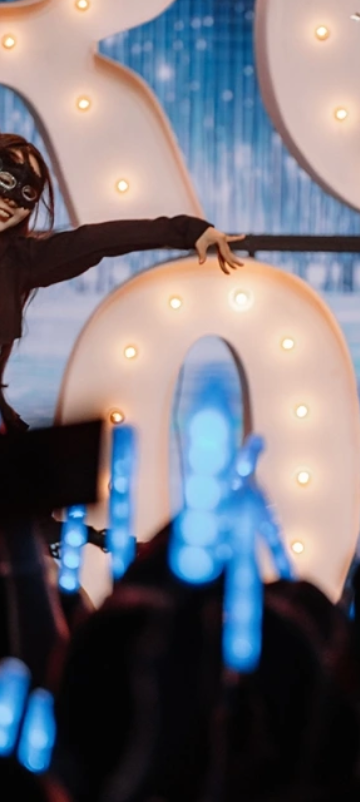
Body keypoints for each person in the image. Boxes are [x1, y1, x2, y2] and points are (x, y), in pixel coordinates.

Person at [0, 132, 242, 684]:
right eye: (3, 178)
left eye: (26, 193)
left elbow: (101, 239)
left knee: (32, 600)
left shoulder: (21, 260)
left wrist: (187, 229)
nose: (11, 200)